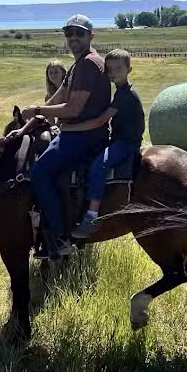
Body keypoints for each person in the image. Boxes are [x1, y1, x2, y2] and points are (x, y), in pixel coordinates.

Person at [6, 14, 111, 259]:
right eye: (69, 33)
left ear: (90, 37)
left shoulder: (88, 64)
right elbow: (56, 100)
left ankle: (60, 236)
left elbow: (72, 109)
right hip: (76, 133)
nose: (73, 38)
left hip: (86, 135)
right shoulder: (76, 66)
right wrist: (23, 129)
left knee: (40, 172)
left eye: (79, 33)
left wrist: (38, 110)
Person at [70, 49, 145, 239]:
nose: (113, 73)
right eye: (110, 69)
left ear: (129, 69)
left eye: (118, 68)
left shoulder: (125, 94)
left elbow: (101, 121)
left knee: (99, 165)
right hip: (118, 139)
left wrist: (71, 128)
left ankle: (92, 216)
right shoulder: (120, 91)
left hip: (127, 143)